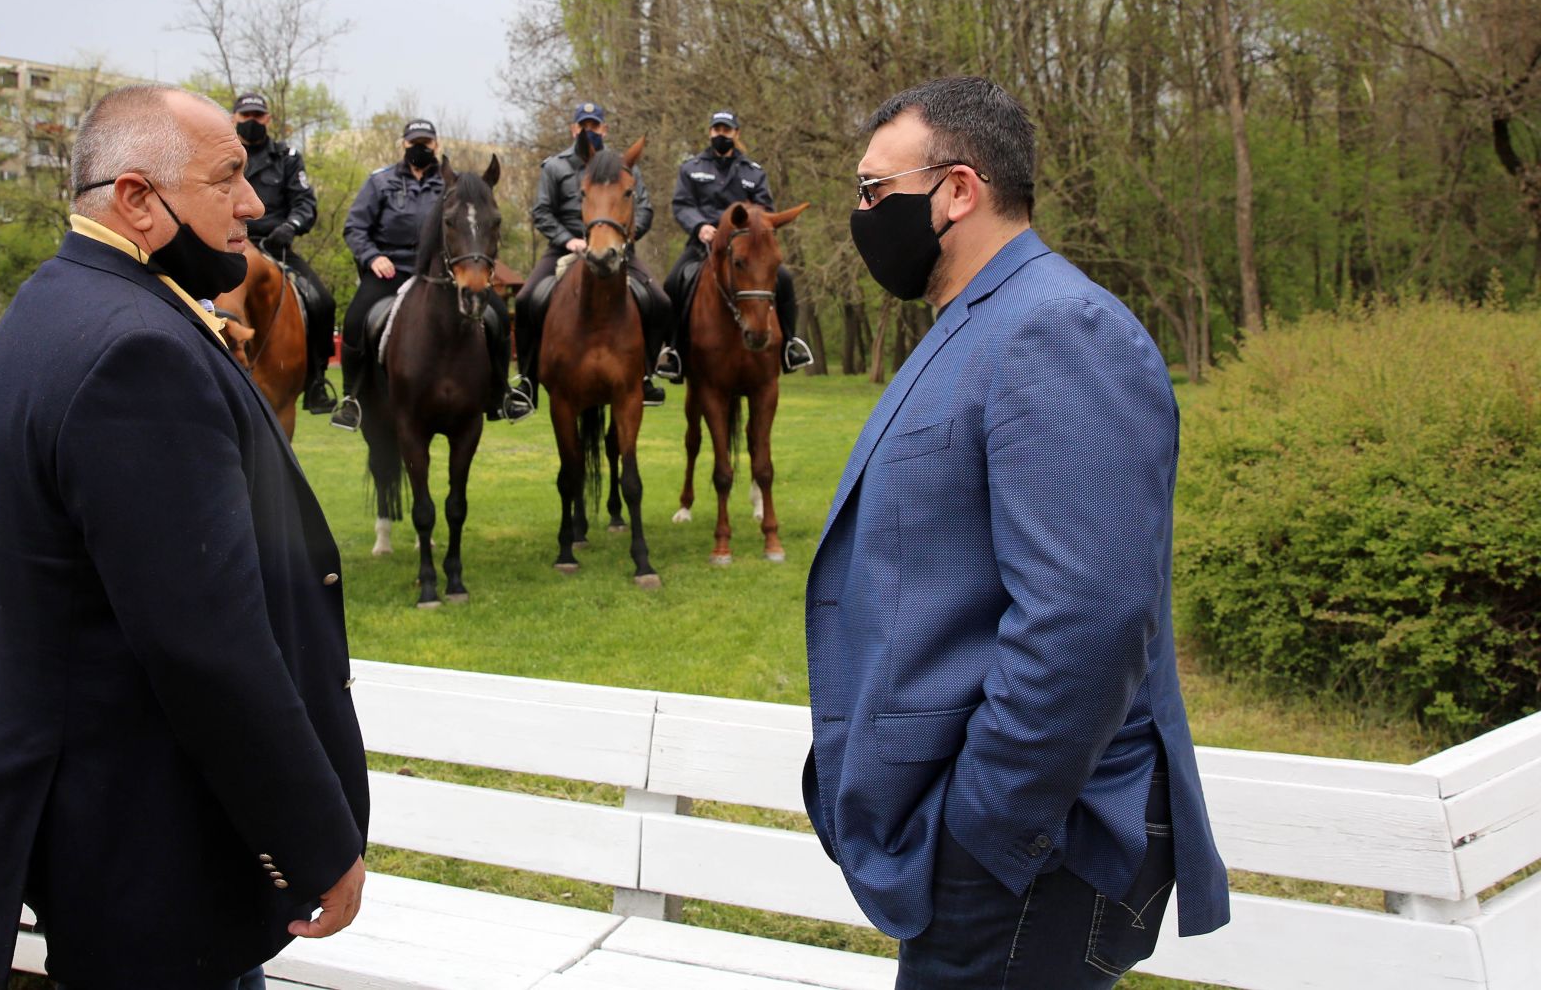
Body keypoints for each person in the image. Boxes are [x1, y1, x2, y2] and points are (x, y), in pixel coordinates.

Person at [804, 76, 1229, 988]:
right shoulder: (977, 323)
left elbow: (1090, 617)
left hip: (1036, 852)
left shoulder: (1058, 327)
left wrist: (984, 826)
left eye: (875, 190)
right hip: (991, 847)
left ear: (958, 190)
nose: (862, 213)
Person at [0, 86, 369, 990]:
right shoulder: (134, 350)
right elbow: (205, 643)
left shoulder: (63, 297)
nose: (254, 203)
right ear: (138, 199)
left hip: (121, 826)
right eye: (227, 179)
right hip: (154, 842)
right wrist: (316, 837)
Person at [331, 118, 530, 431]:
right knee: (356, 318)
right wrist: (373, 257)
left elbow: (475, 226)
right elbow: (355, 227)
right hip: (390, 271)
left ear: (436, 146)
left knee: (498, 317)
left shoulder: (454, 185)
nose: (421, 148)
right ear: (404, 145)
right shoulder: (379, 182)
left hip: (444, 275)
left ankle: (502, 393)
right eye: (415, 143)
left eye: (426, 143)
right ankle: (351, 398)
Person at [513, 101, 670, 407]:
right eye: (583, 126)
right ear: (574, 130)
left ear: (604, 129)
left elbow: (645, 208)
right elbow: (542, 211)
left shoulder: (625, 167)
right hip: (564, 248)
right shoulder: (555, 167)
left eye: (594, 126)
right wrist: (568, 240)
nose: (589, 131)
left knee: (661, 302)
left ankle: (646, 374)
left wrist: (625, 237)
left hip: (617, 248)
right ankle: (527, 382)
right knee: (525, 300)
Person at [658, 109, 814, 379]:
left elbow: (765, 208)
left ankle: (790, 344)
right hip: (703, 245)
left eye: (726, 130)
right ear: (710, 132)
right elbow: (682, 205)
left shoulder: (753, 172)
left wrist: (750, 226)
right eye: (717, 129)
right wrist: (699, 226)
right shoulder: (691, 168)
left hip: (745, 248)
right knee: (673, 282)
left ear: (736, 133)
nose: (721, 134)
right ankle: (674, 351)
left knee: (785, 279)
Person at [233, 92, 337, 414]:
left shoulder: (287, 157)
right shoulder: (221, 155)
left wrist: (290, 226)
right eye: (246, 115)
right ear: (234, 118)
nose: (252, 121)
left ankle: (317, 381)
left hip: (275, 247)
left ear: (269, 119)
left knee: (322, 301)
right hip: (228, 246)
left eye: (258, 116)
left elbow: (305, 203)